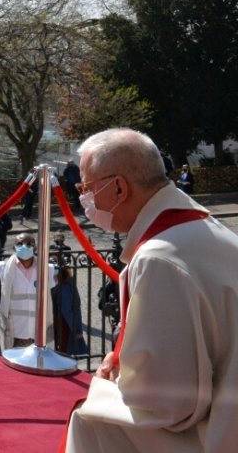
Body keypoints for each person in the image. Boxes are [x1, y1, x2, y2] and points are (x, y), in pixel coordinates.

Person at [65, 128, 238, 452]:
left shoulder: (158, 258)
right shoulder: (205, 227)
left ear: (118, 187)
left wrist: (109, 381)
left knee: (88, 418)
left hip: (216, 435)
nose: (83, 199)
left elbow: (168, 405)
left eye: (86, 187)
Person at [0, 232, 57, 350]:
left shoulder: (46, 269)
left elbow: (52, 298)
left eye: (29, 244)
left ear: (35, 247)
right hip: (14, 334)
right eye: (20, 243)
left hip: (38, 334)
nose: (24, 246)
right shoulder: (2, 269)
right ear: (14, 247)